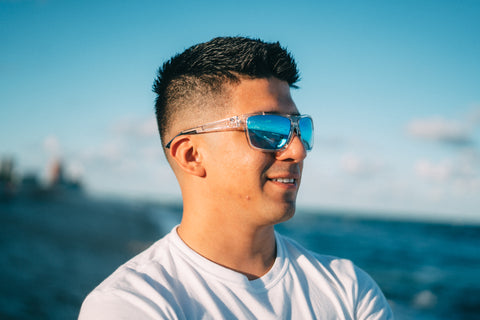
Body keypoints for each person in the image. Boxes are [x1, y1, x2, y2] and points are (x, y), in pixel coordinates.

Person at [79, 36, 393, 319]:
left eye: (300, 129)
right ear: (191, 155)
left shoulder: (349, 290)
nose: (297, 150)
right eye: (269, 130)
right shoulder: (130, 304)